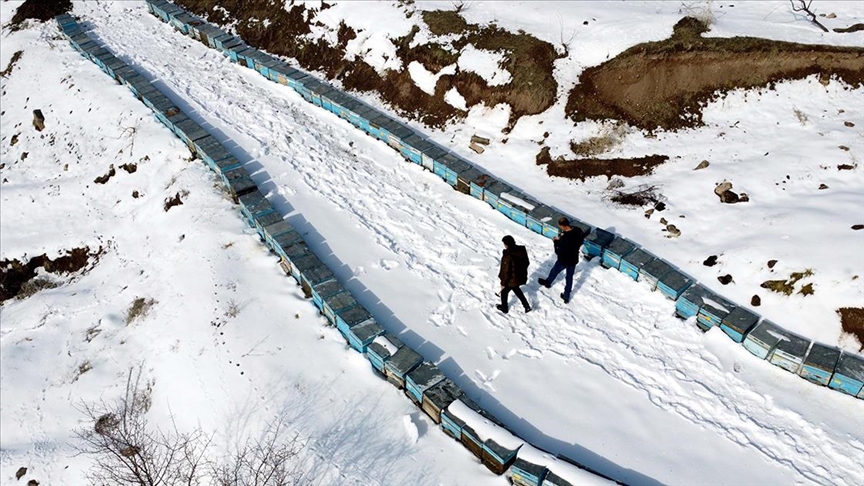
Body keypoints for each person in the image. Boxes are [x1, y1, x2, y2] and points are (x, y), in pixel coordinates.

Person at [538, 217, 586, 304]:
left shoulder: (565, 239)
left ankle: (548, 283)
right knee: (569, 277)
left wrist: (556, 242)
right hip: (573, 259)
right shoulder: (578, 230)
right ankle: (566, 296)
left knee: (554, 271)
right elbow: (580, 240)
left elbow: (558, 251)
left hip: (564, 260)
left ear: (562, 226)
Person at [497, 235, 531, 314]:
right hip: (519, 277)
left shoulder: (508, 256)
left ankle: (504, 308)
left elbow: (506, 272)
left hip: (511, 279)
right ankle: (526, 306)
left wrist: (503, 283)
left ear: (506, 244)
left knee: (504, 292)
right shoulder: (521, 250)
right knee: (516, 289)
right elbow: (526, 262)